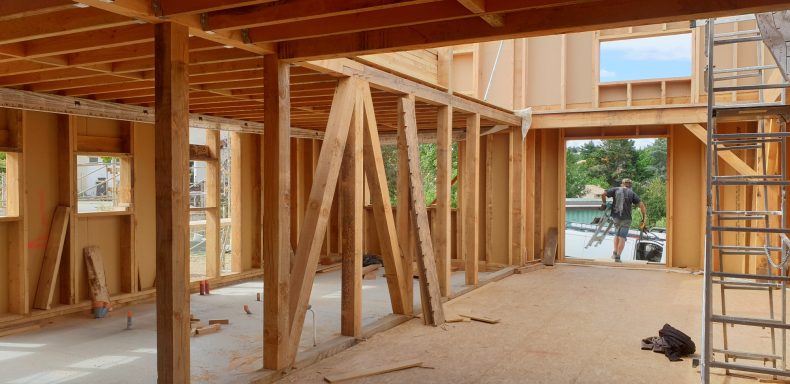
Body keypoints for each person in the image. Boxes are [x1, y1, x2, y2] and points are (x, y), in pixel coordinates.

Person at [600, 178, 647, 262]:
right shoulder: (632, 193)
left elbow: (603, 194)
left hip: (616, 217)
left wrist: (603, 204)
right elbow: (642, 205)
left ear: (622, 184)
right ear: (630, 185)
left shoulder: (615, 189)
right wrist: (644, 217)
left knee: (616, 234)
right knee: (622, 237)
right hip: (626, 219)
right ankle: (618, 256)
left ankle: (614, 252)